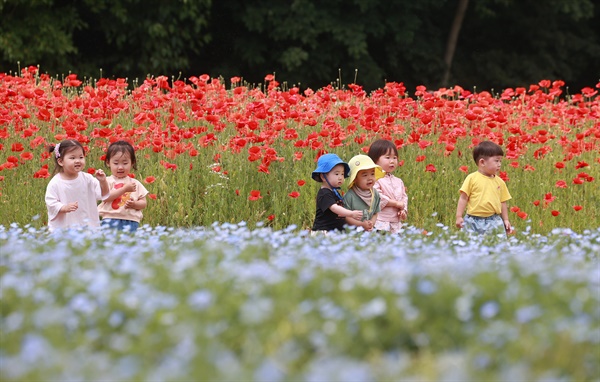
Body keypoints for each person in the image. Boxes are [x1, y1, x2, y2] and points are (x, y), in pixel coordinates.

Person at [45, 139, 109, 232]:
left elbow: (103, 194)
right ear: (61, 161)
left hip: (88, 226)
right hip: (65, 228)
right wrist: (63, 207)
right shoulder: (56, 183)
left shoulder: (87, 179)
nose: (78, 161)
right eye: (72, 158)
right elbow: (51, 203)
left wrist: (103, 181)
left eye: (81, 157)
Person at [456, 141, 512, 235]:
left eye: (500, 161)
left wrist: (505, 220)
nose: (499, 164)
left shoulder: (500, 182)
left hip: (494, 220)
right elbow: (463, 198)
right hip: (473, 220)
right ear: (482, 162)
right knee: (470, 246)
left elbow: (503, 202)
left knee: (496, 246)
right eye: (496, 160)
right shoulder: (472, 178)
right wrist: (459, 216)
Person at [98, 140, 148, 232]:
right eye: (116, 163)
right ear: (108, 163)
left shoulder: (135, 183)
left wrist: (135, 204)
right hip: (110, 219)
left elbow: (144, 203)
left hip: (131, 221)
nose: (120, 167)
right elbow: (105, 197)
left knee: (129, 245)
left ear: (132, 163)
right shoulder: (107, 181)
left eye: (125, 163)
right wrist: (124, 189)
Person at [311, 153, 364, 233]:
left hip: (335, 231)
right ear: (323, 177)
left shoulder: (334, 192)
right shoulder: (324, 193)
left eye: (342, 174)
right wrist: (351, 213)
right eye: (336, 174)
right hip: (324, 232)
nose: (340, 177)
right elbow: (334, 208)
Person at [368, 139, 408, 234]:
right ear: (374, 160)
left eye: (395, 158)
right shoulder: (374, 179)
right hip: (380, 222)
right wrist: (396, 204)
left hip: (395, 223)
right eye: (388, 157)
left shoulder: (398, 181)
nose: (392, 161)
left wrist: (403, 210)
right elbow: (377, 197)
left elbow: (404, 197)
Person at [343, 154, 384, 231]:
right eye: (365, 175)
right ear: (355, 179)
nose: (370, 178)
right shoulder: (350, 196)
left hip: (369, 230)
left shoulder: (375, 194)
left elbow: (375, 212)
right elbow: (346, 217)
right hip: (354, 231)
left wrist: (371, 223)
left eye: (372, 174)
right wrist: (361, 225)